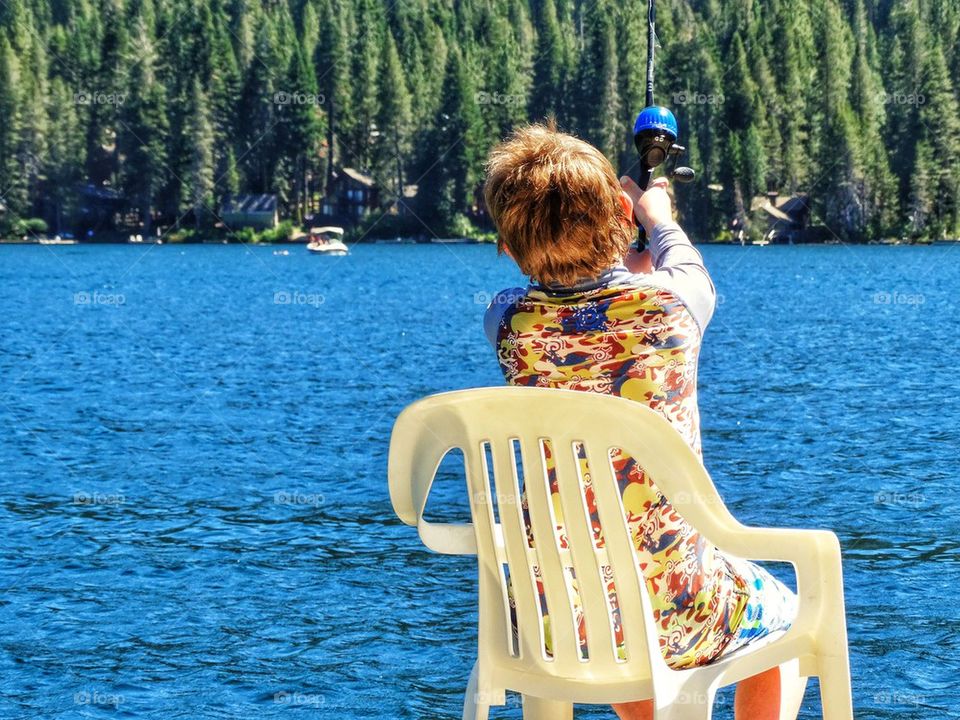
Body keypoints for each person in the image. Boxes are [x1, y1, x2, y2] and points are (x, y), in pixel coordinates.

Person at [482, 123, 803, 720]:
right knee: (786, 611)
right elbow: (683, 271)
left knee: (616, 606)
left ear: (506, 244)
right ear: (617, 216)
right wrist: (658, 218)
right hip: (681, 611)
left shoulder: (506, 322)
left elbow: (572, 302)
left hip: (558, 618)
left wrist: (616, 246)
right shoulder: (674, 304)